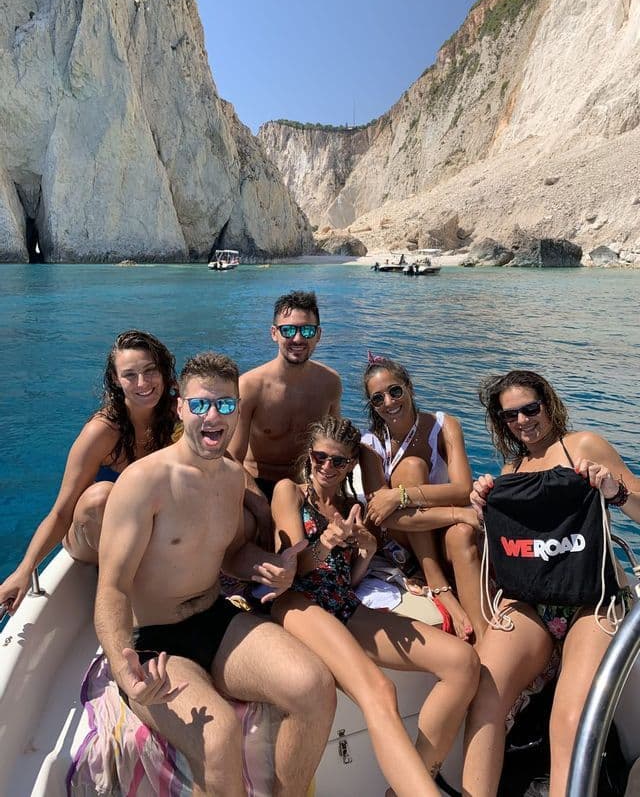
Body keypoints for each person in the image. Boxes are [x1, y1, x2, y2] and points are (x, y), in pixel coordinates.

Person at [94, 351, 336, 797]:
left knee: (315, 686)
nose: (213, 416)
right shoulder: (143, 482)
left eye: (225, 405)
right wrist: (123, 669)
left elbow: (230, 554)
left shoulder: (229, 478)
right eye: (201, 404)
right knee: (218, 735)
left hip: (215, 617)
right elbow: (111, 588)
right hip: (155, 639)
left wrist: (263, 567)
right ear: (181, 407)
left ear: (237, 411)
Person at [271, 415, 480, 797]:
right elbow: (294, 566)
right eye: (320, 457)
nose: (326, 467)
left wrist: (365, 553)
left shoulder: (351, 506)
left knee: (463, 663)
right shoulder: (291, 492)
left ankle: (407, 785)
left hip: (343, 604)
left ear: (351, 464)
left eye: (338, 461)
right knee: (381, 690)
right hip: (298, 604)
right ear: (309, 455)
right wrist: (327, 544)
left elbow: (346, 581)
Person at [463, 370, 640, 797]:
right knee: (484, 699)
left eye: (530, 408)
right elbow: (507, 547)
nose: (523, 421)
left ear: (549, 403)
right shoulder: (512, 470)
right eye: (510, 416)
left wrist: (615, 491)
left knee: (569, 719)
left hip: (593, 601)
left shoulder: (584, 446)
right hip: (533, 604)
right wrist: (483, 504)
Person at [0, 330, 177, 614]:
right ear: (117, 382)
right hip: (92, 536)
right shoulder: (102, 432)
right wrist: (24, 570)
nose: (142, 383)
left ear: (164, 372)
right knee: (102, 496)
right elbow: (61, 511)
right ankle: (120, 594)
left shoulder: (177, 415)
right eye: (130, 375)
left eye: (150, 371)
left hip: (145, 532)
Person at [360, 355, 486, 642]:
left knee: (463, 533)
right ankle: (437, 582)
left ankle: (481, 640)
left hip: (443, 528)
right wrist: (457, 513)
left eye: (394, 391)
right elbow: (381, 515)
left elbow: (463, 489)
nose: (389, 403)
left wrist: (399, 494)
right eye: (378, 399)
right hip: (407, 534)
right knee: (411, 467)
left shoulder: (444, 425)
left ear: (409, 388)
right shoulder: (370, 446)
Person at [228, 290, 342, 504]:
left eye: (307, 331)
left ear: (318, 335)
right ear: (274, 333)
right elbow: (233, 459)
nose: (297, 338)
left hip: (307, 487)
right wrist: (260, 505)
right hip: (257, 485)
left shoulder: (330, 383)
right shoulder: (250, 386)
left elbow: (338, 443)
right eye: (288, 330)